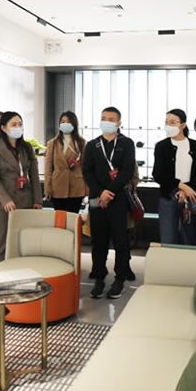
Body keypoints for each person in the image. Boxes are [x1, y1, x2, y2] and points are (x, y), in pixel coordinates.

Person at [82, 106, 135, 299]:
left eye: (111, 119)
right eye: (103, 118)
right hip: (97, 199)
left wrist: (109, 192)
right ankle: (99, 276)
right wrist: (100, 192)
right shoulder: (92, 145)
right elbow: (87, 172)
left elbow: (127, 171)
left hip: (118, 199)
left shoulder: (126, 144)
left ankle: (120, 279)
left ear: (119, 123)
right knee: (98, 241)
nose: (106, 122)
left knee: (120, 240)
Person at [0, 111, 43, 264]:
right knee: (3, 244)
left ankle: (21, 274)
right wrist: (5, 200)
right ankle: (0, 274)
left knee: (24, 244)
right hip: (4, 204)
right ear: (3, 128)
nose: (18, 127)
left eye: (20, 124)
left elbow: (34, 176)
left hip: (26, 201)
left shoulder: (27, 148)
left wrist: (38, 200)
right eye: (14, 124)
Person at [153, 109, 196, 244]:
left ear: (183, 125)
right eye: (166, 122)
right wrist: (180, 186)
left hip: (191, 198)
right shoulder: (161, 146)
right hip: (168, 198)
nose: (168, 126)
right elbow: (158, 174)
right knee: (168, 239)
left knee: (189, 239)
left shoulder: (195, 146)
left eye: (172, 122)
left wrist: (187, 189)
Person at [44, 111, 87, 214]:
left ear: (74, 124)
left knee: (73, 218)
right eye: (63, 122)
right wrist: (47, 187)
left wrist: (87, 190)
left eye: (68, 122)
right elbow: (48, 168)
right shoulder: (52, 143)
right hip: (58, 186)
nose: (65, 124)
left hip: (76, 187)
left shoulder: (81, 143)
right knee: (60, 218)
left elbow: (86, 167)